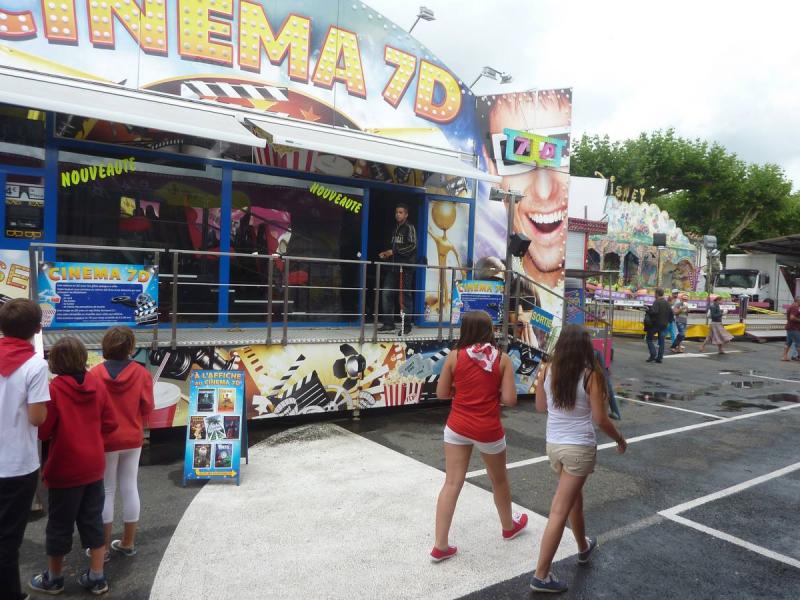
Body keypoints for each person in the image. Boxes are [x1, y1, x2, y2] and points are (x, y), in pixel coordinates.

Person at [531, 325, 627, 593]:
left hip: (554, 445)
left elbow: (540, 406)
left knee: (574, 499)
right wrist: (620, 439)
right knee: (559, 510)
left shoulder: (547, 370)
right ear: (585, 347)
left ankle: (583, 547)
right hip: (578, 448)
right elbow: (601, 419)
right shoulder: (590, 375)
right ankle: (541, 575)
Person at [430, 310, 526, 562]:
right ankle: (508, 527)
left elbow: (441, 393)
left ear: (465, 330)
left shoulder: (454, 356)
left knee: (452, 483)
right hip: (487, 428)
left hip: (457, 426)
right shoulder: (502, 360)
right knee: (499, 481)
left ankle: (440, 545)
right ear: (488, 330)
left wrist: (459, 390)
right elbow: (510, 400)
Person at [30, 337, 117, 596]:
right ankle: (97, 577)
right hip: (94, 465)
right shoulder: (97, 384)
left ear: (55, 361)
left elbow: (43, 430)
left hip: (65, 468)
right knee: (93, 521)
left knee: (59, 525)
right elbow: (110, 423)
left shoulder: (54, 390)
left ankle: (54, 579)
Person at [478, 90, 571, 318]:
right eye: (514, 162)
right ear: (491, 167)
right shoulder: (493, 268)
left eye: (562, 152)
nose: (544, 191)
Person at [90, 327, 154, 561]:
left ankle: (103, 549)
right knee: (129, 487)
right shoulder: (141, 373)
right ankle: (128, 542)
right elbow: (147, 407)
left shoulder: (95, 374)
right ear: (131, 347)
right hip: (132, 437)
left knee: (106, 491)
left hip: (105, 440)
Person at [0, 300, 49, 600]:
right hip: (18, 465)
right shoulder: (36, 365)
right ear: (37, 329)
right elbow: (37, 418)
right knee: (8, 539)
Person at [378, 203, 417, 335]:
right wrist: (386, 254)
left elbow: (412, 246)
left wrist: (393, 252)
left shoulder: (409, 227)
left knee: (404, 297)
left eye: (401, 212)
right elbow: (393, 249)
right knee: (386, 293)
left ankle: (407, 326)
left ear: (406, 215)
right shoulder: (395, 228)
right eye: (396, 212)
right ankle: (388, 324)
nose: (398, 215)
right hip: (393, 267)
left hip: (405, 268)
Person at [645, 288, 672, 363]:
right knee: (661, 341)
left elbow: (654, 312)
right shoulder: (667, 303)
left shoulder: (657, 302)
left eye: (654, 293)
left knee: (649, 338)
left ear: (657, 294)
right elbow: (671, 313)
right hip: (664, 325)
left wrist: (648, 309)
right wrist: (668, 321)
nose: (654, 295)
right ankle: (659, 358)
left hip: (655, 324)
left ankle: (653, 354)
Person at [669, 289, 689, 354]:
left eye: (686, 299)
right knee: (681, 334)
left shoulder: (687, 305)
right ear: (681, 299)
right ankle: (674, 346)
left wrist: (688, 309)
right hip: (679, 320)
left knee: (681, 335)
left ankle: (677, 347)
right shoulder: (678, 304)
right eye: (684, 299)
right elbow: (675, 312)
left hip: (684, 321)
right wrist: (681, 308)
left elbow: (686, 314)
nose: (685, 300)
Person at [781, 296, 800, 361]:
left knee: (788, 343)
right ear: (798, 301)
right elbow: (792, 317)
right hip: (794, 328)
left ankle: (784, 357)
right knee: (798, 343)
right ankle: (798, 357)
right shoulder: (795, 307)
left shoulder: (792, 306)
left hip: (790, 328)